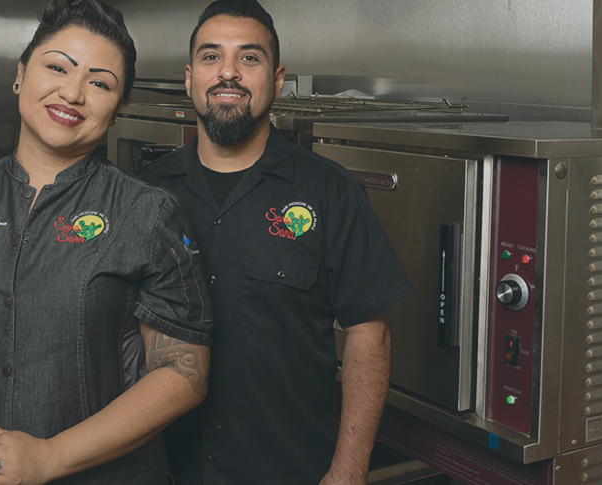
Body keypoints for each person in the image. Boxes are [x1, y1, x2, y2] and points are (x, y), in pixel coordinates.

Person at [0, 1, 213, 484]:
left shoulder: (148, 212)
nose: (72, 92)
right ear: (20, 74)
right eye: (57, 67)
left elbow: (184, 370)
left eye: (100, 83)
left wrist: (51, 456)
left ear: (116, 111)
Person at [137, 1, 414, 484]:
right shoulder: (145, 194)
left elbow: (370, 334)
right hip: (163, 471)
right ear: (188, 78)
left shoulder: (328, 191)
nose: (228, 72)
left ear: (278, 78)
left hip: (289, 469)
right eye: (210, 57)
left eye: (249, 58)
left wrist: (348, 471)